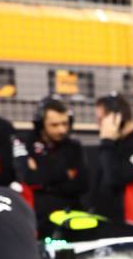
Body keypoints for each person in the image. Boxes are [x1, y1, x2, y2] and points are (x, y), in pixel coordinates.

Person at [12, 95, 88, 234]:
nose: (62, 130)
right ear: (41, 124)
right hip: (37, 221)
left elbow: (81, 184)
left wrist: (43, 179)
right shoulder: (23, 141)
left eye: (65, 124)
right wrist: (65, 174)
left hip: (71, 219)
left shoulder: (74, 146)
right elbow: (28, 178)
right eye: (54, 125)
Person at [90, 93, 133, 230]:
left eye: (101, 119)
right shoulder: (114, 145)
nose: (99, 125)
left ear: (117, 118)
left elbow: (115, 178)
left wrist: (106, 141)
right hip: (108, 223)